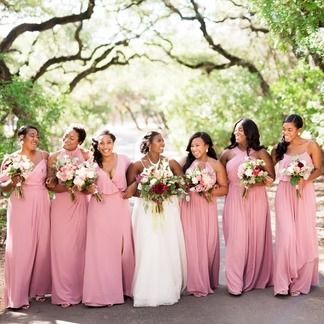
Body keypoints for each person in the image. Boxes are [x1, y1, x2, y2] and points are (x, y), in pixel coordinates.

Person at [127, 131, 187, 307]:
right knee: (148, 245)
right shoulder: (136, 165)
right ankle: (144, 290)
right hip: (146, 211)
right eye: (159, 140)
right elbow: (131, 191)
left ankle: (169, 287)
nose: (163, 143)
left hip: (168, 210)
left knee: (167, 245)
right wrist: (149, 192)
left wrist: (166, 190)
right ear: (149, 143)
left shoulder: (171, 163)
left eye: (163, 140)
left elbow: (182, 184)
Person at [220, 119, 274, 295]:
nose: (237, 133)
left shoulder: (261, 153)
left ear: (250, 133)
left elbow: (271, 178)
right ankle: (235, 284)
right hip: (235, 198)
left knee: (255, 238)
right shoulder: (227, 154)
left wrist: (255, 178)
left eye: (241, 130)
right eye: (235, 130)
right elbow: (219, 179)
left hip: (256, 199)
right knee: (236, 240)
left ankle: (254, 277)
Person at [0, 125, 51, 309]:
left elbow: (51, 181)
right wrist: (11, 183)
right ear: (21, 137)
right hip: (21, 204)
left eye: (37, 136)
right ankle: (17, 296)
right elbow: (2, 188)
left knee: (42, 245)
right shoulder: (11, 159)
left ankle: (38, 290)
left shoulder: (45, 156)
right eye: (31, 135)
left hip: (42, 203)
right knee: (21, 248)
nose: (35, 139)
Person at [82, 130, 135, 306]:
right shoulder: (91, 163)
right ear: (97, 145)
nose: (105, 146)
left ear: (114, 143)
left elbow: (138, 176)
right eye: (102, 143)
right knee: (101, 249)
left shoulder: (125, 160)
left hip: (120, 207)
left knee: (122, 247)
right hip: (99, 208)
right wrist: (89, 188)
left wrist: (132, 187)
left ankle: (124, 288)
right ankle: (102, 292)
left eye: (108, 142)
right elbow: (82, 185)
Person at [271, 114, 321, 296]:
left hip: (304, 193)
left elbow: (319, 168)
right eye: (284, 129)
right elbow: (268, 170)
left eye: (289, 129)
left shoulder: (311, 145)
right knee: (286, 236)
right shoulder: (280, 148)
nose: (285, 133)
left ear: (298, 129)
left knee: (303, 234)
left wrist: (305, 179)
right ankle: (282, 283)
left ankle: (301, 281)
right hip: (284, 192)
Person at [47, 125, 90, 307]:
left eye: (72, 137)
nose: (67, 139)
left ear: (79, 141)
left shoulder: (87, 155)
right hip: (61, 206)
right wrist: (69, 186)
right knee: (61, 249)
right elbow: (50, 185)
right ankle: (63, 294)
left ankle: (80, 291)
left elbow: (90, 182)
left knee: (79, 247)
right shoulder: (54, 157)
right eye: (66, 135)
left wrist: (81, 184)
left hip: (80, 204)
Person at [180, 132, 228, 297]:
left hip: (206, 207)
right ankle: (194, 281)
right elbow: (179, 183)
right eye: (192, 146)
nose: (194, 149)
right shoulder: (186, 163)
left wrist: (209, 190)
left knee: (207, 242)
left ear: (207, 146)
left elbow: (224, 188)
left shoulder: (216, 164)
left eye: (198, 145)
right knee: (190, 242)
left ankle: (205, 278)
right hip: (188, 207)